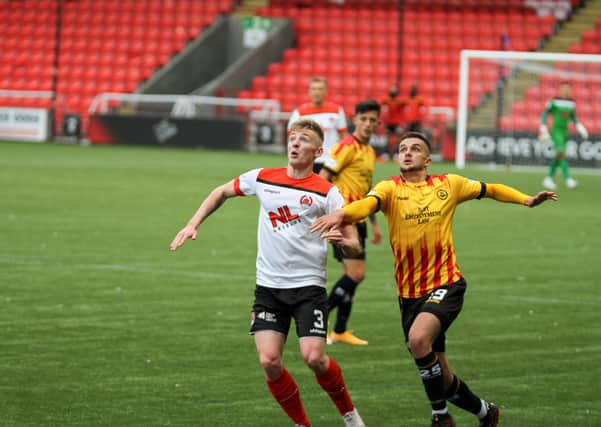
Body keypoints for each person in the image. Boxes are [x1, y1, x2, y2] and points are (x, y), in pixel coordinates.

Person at [311, 131, 557, 427]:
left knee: (418, 340)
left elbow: (489, 188)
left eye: (415, 149)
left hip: (446, 284)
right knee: (440, 373)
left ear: (427, 160)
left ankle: (440, 416)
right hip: (409, 294)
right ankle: (485, 412)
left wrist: (525, 200)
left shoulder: (448, 185)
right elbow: (367, 205)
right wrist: (342, 215)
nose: (407, 152)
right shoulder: (389, 188)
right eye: (402, 148)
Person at [170, 119, 365, 427]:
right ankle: (302, 424)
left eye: (303, 140)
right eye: (293, 138)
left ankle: (350, 416)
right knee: (269, 361)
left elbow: (354, 244)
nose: (295, 143)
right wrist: (193, 223)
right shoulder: (262, 178)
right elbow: (221, 191)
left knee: (314, 357)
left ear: (318, 151)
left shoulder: (329, 194)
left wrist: (345, 244)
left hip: (308, 288)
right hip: (269, 288)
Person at [319, 99, 383, 346]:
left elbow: (367, 189)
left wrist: (374, 224)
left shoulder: (370, 151)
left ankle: (340, 330)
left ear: (378, 123)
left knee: (352, 274)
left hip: (360, 217)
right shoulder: (346, 146)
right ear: (354, 120)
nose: (367, 124)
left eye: (372, 120)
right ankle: (318, 313)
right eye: (363, 119)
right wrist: (332, 213)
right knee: (357, 274)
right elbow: (323, 177)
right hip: (345, 218)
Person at [288, 76, 348, 173]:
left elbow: (343, 137)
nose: (317, 92)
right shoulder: (299, 113)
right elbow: (292, 137)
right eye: (314, 89)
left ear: (326, 91)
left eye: (320, 89)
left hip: (330, 161)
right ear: (309, 91)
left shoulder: (336, 111)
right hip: (307, 160)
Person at [539, 81, 588, 190]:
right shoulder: (554, 101)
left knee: (558, 156)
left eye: (568, 89)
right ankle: (568, 179)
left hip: (565, 132)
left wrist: (581, 128)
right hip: (556, 132)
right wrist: (543, 127)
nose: (566, 91)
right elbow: (545, 113)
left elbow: (573, 118)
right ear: (560, 90)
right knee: (561, 153)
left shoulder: (571, 103)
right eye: (564, 89)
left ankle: (548, 179)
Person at [380, 85, 405, 157]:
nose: (393, 92)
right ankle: (386, 154)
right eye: (392, 90)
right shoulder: (387, 101)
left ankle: (397, 154)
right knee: (388, 138)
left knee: (398, 139)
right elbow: (381, 104)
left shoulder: (399, 101)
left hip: (397, 123)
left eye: (394, 91)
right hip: (389, 123)